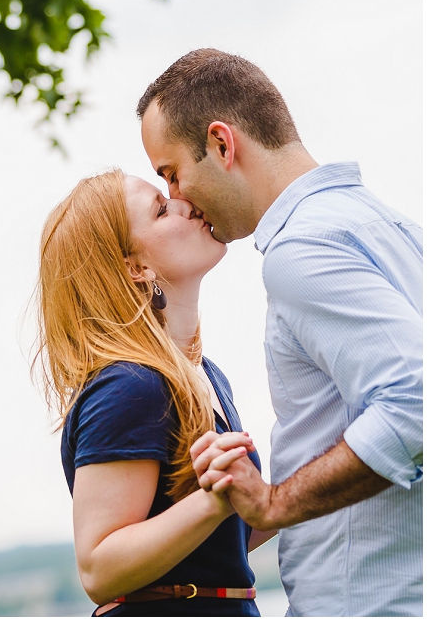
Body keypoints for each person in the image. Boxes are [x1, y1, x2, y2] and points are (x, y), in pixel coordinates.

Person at [136, 48, 423, 616]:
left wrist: (273, 502)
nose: (177, 199)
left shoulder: (300, 251)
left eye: (172, 174)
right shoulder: (395, 229)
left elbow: (415, 402)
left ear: (222, 144)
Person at [35, 168, 275, 616]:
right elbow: (99, 569)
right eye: (162, 210)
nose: (184, 203)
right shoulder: (133, 385)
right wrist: (214, 501)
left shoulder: (206, 375)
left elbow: (220, 545)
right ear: (135, 267)